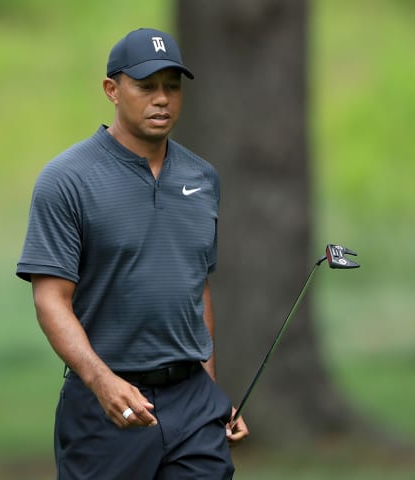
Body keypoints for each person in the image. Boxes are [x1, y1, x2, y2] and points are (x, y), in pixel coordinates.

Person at [16, 27, 249, 479]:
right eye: (146, 87)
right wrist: (102, 382)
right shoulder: (67, 179)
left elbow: (195, 289)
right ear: (112, 90)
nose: (161, 99)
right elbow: (50, 299)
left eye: (172, 87)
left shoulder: (203, 178)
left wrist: (211, 393)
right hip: (105, 404)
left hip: (193, 406)